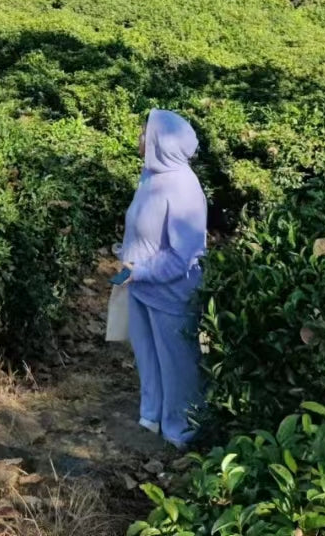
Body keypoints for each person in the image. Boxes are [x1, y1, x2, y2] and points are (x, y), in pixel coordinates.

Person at [113, 108, 206, 447]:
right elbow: (143, 230)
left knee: (178, 365)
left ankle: (183, 431)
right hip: (141, 285)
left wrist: (141, 271)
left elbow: (182, 255)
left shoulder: (183, 187)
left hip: (170, 292)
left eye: (144, 133)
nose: (139, 139)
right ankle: (152, 415)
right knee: (148, 357)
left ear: (160, 142)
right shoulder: (150, 176)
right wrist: (126, 260)